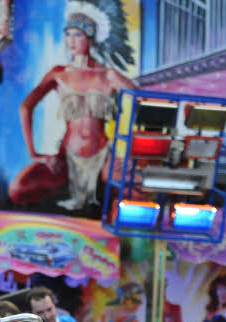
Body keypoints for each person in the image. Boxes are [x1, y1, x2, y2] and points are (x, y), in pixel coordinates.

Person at [8, 0, 135, 211]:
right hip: (66, 157)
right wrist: (35, 153)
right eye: (68, 34)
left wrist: (130, 153)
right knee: (18, 188)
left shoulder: (108, 75)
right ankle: (69, 191)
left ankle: (100, 194)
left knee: (134, 187)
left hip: (103, 156)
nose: (71, 40)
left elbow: (143, 101)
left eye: (78, 35)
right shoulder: (59, 73)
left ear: (90, 38)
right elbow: (25, 107)